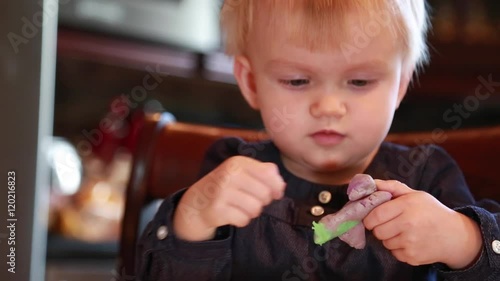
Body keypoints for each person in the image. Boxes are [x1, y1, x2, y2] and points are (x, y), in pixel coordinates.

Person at [134, 1, 500, 280]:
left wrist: (464, 241)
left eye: (359, 82)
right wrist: (192, 218)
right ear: (250, 83)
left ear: (400, 84)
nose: (328, 107)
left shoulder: (428, 177)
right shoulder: (228, 167)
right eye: (297, 81)